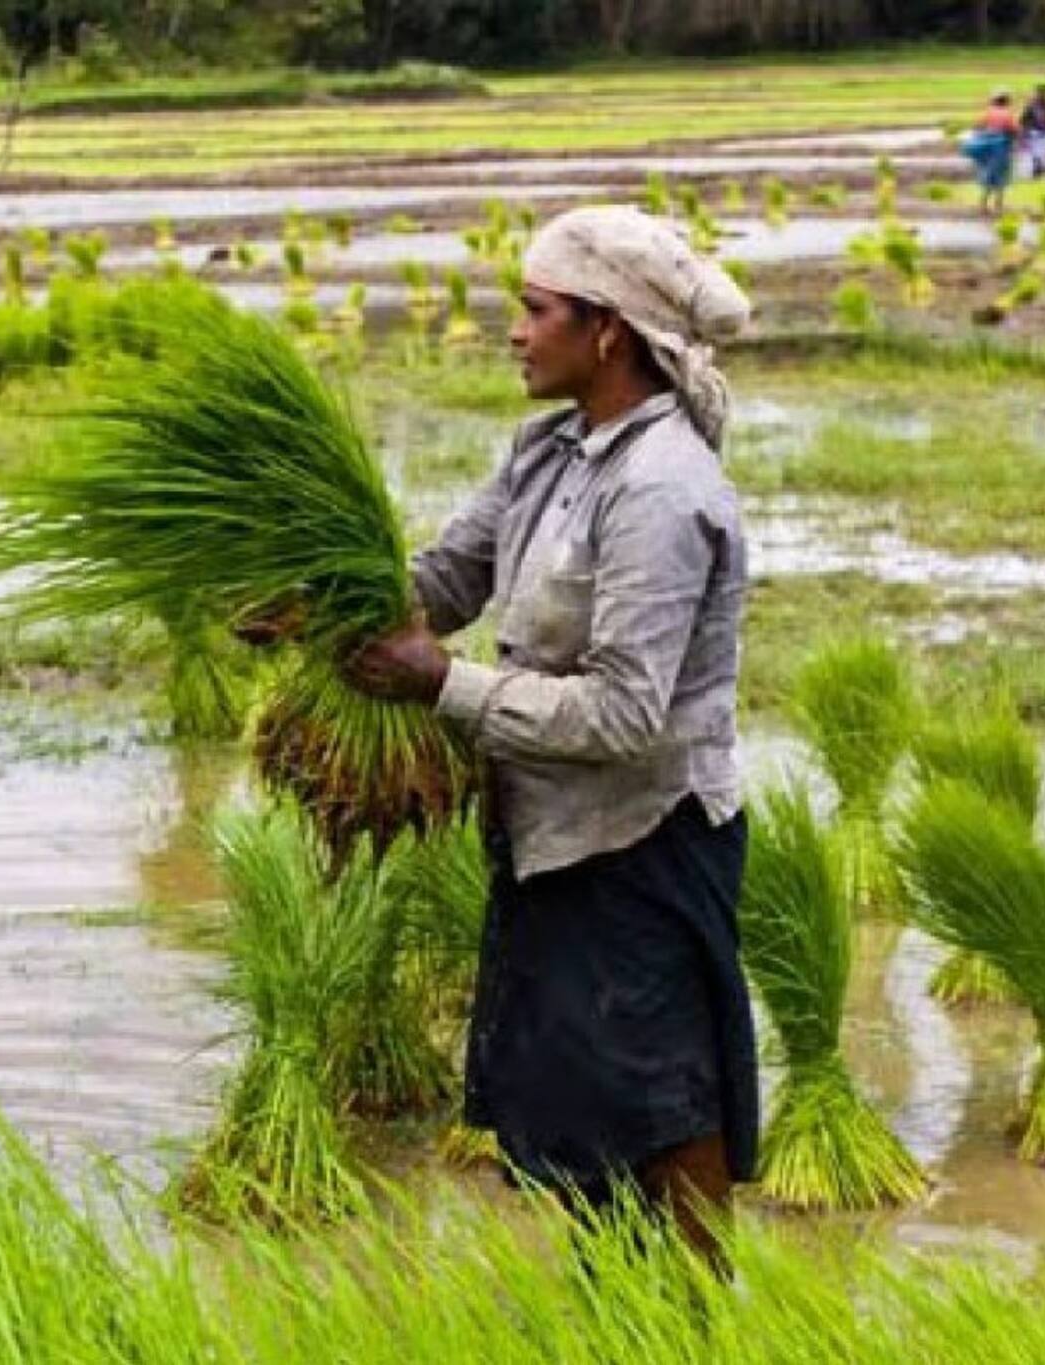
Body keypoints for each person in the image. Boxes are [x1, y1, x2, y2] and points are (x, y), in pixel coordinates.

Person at [340, 204, 759, 1268]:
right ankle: (619, 1309)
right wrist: (334, 600)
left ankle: (702, 1319)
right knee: (582, 1105)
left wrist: (441, 684)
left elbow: (625, 715)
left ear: (606, 330)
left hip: (644, 843)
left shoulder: (661, 491)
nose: (515, 332)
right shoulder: (549, 452)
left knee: (666, 1105)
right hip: (550, 832)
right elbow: (445, 580)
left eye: (534, 311)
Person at [962, 89, 1018, 216]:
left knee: (987, 175)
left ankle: (982, 205)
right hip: (1000, 149)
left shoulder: (987, 113)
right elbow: (1014, 130)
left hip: (986, 150)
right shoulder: (1007, 114)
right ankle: (998, 206)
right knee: (1000, 178)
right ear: (1006, 101)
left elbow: (976, 128)